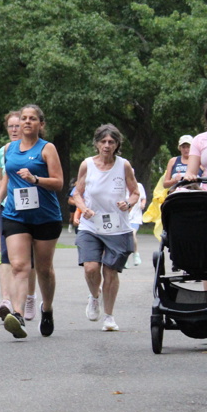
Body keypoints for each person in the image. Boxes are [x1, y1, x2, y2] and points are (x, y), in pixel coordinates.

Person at [0, 104, 64, 339]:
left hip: (45, 216)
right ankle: (18, 315)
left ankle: (47, 309)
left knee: (43, 269)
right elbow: (6, 178)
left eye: (32, 119)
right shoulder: (9, 149)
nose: (27, 122)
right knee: (19, 266)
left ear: (41, 124)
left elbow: (59, 182)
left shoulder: (47, 148)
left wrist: (36, 179)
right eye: (24, 118)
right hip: (15, 215)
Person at [71, 125, 140, 332]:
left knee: (110, 272)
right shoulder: (87, 165)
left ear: (117, 144)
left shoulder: (124, 165)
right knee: (91, 267)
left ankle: (109, 317)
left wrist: (128, 203)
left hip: (117, 227)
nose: (107, 146)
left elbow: (135, 192)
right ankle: (94, 296)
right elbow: (77, 193)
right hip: (91, 225)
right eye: (103, 141)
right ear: (97, 143)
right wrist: (84, 208)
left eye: (111, 142)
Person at [126, 182, 146, 268]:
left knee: (132, 233)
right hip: (124, 216)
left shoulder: (139, 186)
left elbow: (143, 198)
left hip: (135, 216)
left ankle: (136, 253)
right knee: (125, 237)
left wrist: (143, 204)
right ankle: (125, 259)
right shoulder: (120, 186)